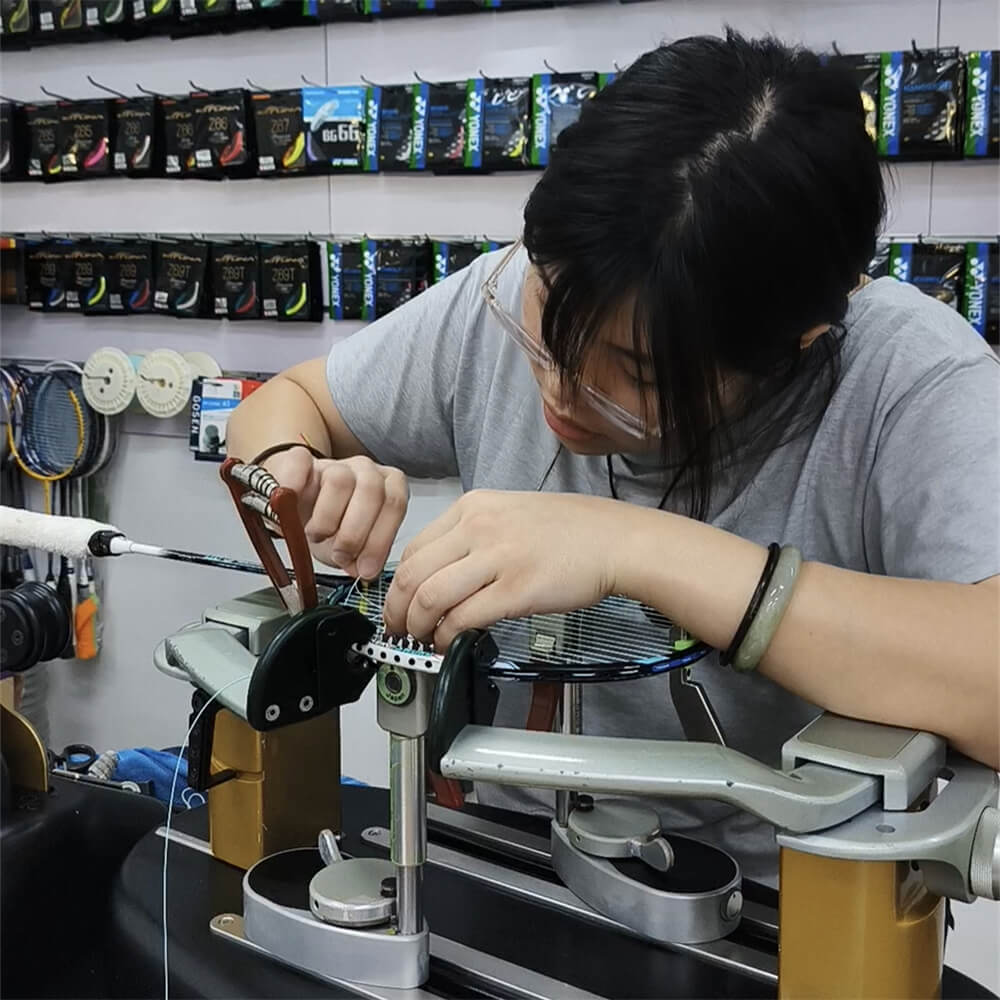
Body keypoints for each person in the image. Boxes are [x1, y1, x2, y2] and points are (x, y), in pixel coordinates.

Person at [228, 31, 999, 884]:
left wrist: (632, 549)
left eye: (636, 373)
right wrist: (294, 472)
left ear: (796, 342)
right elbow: (285, 405)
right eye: (546, 322)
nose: (561, 392)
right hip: (501, 856)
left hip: (779, 905)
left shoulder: (910, 380)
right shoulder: (523, 292)